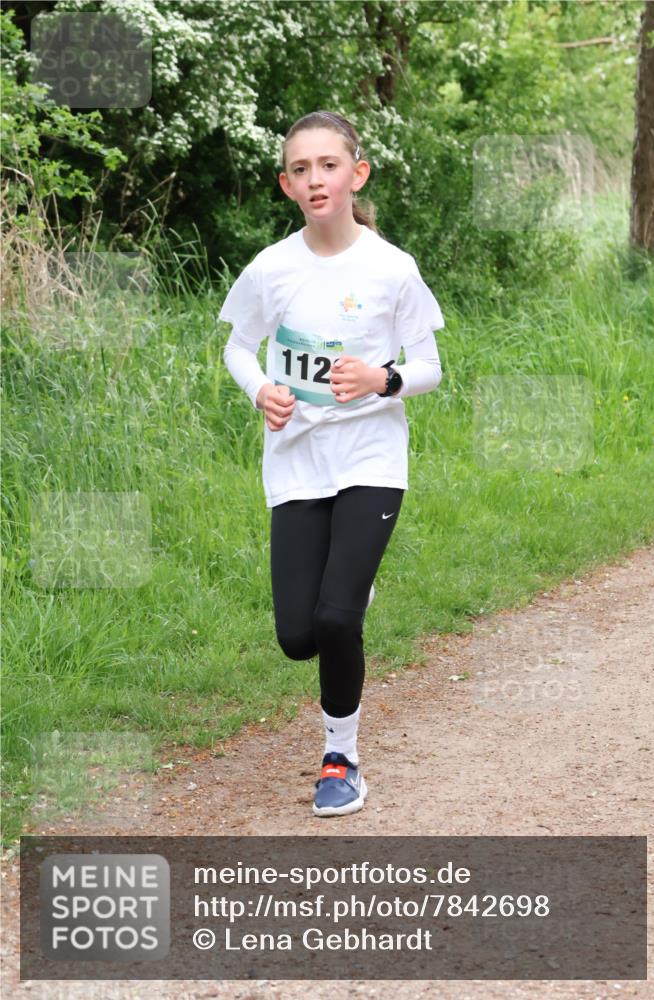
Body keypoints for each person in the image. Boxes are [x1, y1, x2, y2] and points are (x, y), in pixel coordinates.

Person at [219, 110, 444, 817]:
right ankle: (346, 596)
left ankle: (340, 758)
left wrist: (383, 379)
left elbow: (430, 366)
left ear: (356, 174)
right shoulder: (271, 268)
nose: (315, 179)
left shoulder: (391, 268)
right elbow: (237, 347)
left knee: (337, 620)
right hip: (296, 459)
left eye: (328, 165)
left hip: (371, 455)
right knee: (298, 636)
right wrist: (261, 390)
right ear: (286, 185)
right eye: (300, 169)